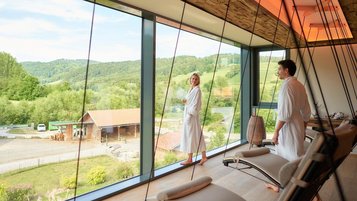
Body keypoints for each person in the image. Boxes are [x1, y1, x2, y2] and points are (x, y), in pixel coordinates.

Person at [267, 59, 311, 192]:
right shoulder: (299, 85)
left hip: (289, 127)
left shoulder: (287, 86)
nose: (278, 72)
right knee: (294, 154)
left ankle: (306, 190)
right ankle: (281, 184)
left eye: (279, 69)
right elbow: (306, 111)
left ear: (286, 70)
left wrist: (276, 132)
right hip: (298, 125)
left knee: (288, 157)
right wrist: (303, 128)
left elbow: (285, 114)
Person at [180, 73, 208, 166]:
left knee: (190, 136)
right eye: (192, 79)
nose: (194, 80)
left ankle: (190, 159)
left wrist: (189, 114)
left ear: (198, 80)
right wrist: (185, 102)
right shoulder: (191, 89)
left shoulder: (197, 90)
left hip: (191, 116)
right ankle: (203, 156)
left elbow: (195, 104)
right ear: (190, 79)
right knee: (197, 135)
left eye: (196, 79)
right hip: (190, 116)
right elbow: (190, 102)